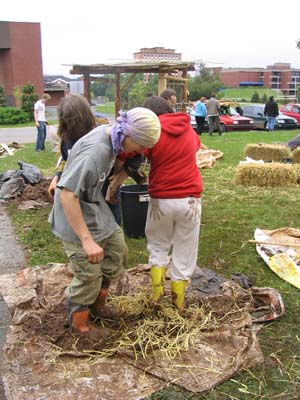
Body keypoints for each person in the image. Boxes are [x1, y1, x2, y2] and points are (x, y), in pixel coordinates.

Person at [48, 101, 161, 335]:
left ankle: (98, 307)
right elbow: (67, 195)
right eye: (141, 145)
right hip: (74, 215)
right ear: (129, 134)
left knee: (117, 254)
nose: (140, 151)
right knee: (89, 272)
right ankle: (79, 324)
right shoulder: (95, 152)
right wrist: (87, 240)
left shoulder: (112, 136)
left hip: (94, 208)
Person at [142, 96, 203, 311]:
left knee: (158, 246)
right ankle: (178, 304)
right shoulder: (188, 130)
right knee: (185, 249)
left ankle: (157, 297)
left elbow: (133, 151)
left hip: (161, 200)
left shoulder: (152, 132)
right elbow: (196, 147)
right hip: (189, 200)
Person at [47, 95, 146, 225]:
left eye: (73, 121)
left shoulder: (105, 130)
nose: (72, 126)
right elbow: (67, 160)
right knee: (88, 225)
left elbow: (136, 154)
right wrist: (57, 177)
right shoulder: (67, 137)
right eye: (67, 122)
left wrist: (117, 180)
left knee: (112, 222)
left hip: (106, 187)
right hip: (83, 191)